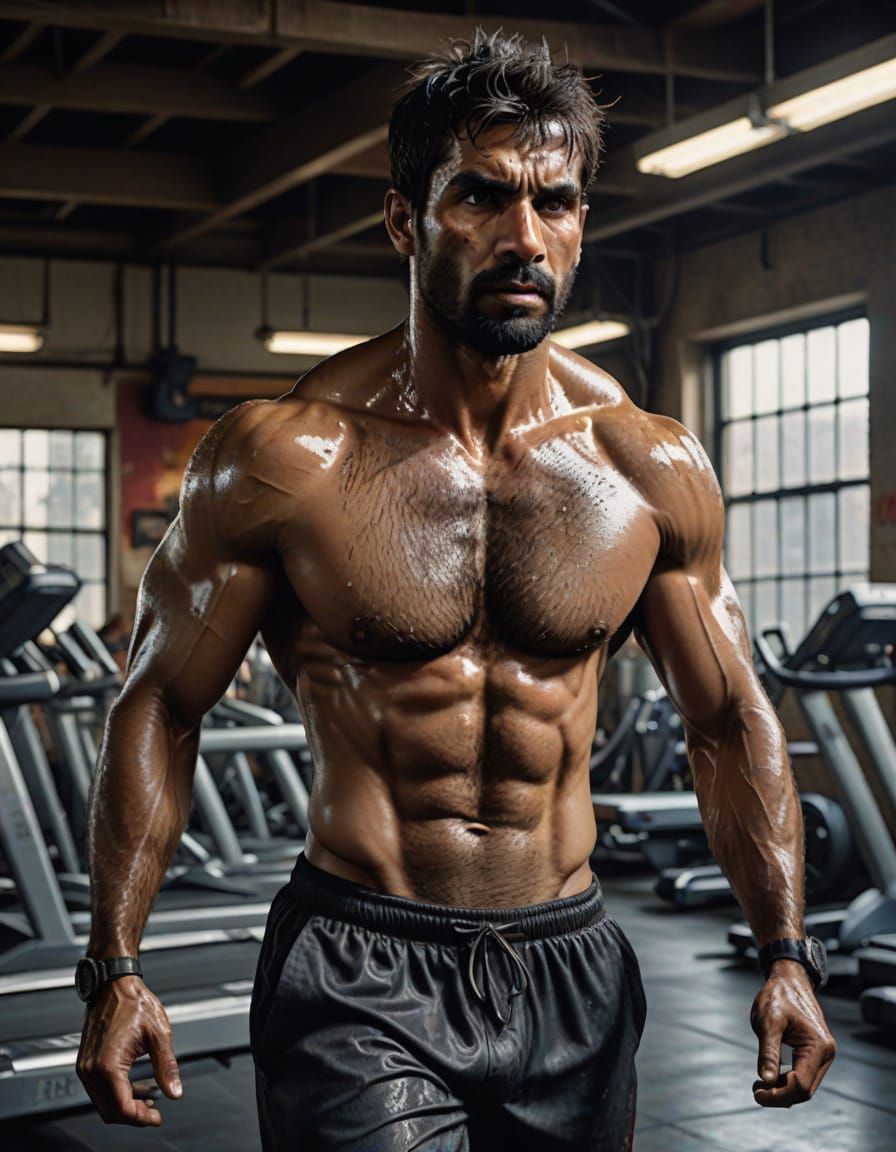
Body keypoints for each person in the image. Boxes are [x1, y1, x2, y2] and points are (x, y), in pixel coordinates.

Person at [76, 29, 835, 1151]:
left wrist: (785, 950)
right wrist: (116, 964)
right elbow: (160, 704)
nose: (523, 237)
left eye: (556, 202)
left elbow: (725, 715)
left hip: (571, 958)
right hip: (357, 963)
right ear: (403, 220)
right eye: (479, 196)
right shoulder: (287, 458)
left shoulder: (645, 466)